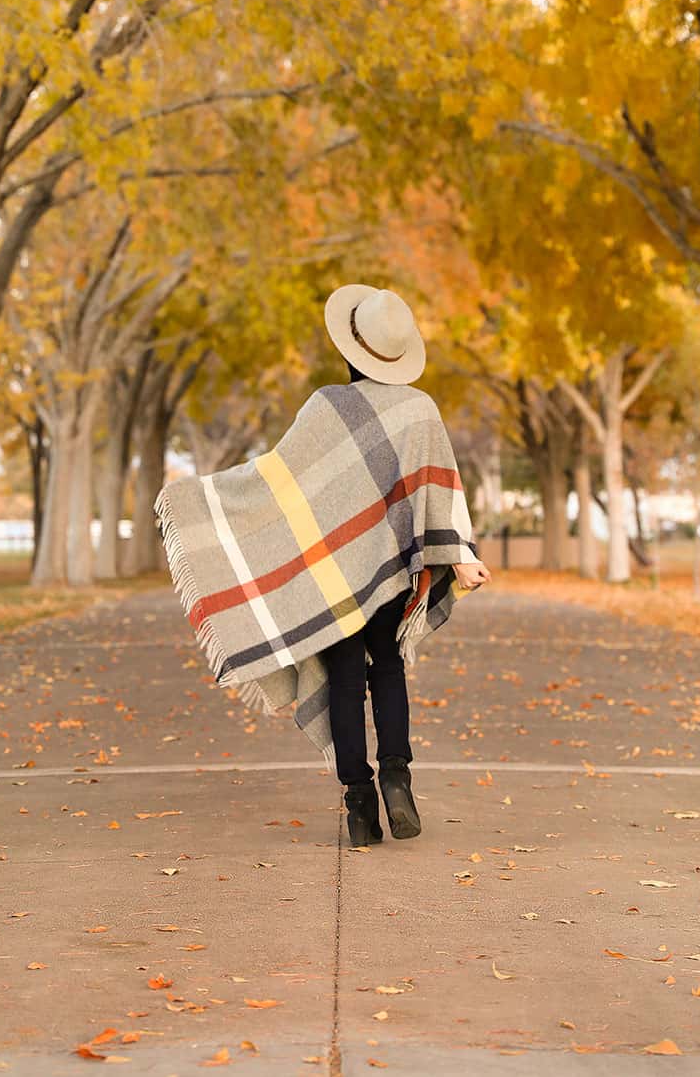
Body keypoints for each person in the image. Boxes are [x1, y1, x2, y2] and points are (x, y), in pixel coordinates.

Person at [155, 283, 491, 845]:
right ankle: (398, 780)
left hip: (335, 576)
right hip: (393, 572)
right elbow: (439, 493)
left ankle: (359, 805)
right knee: (386, 665)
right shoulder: (422, 411)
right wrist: (460, 556)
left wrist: (198, 501)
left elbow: (279, 485)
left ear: (350, 350)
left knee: (342, 677)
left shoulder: (327, 406)